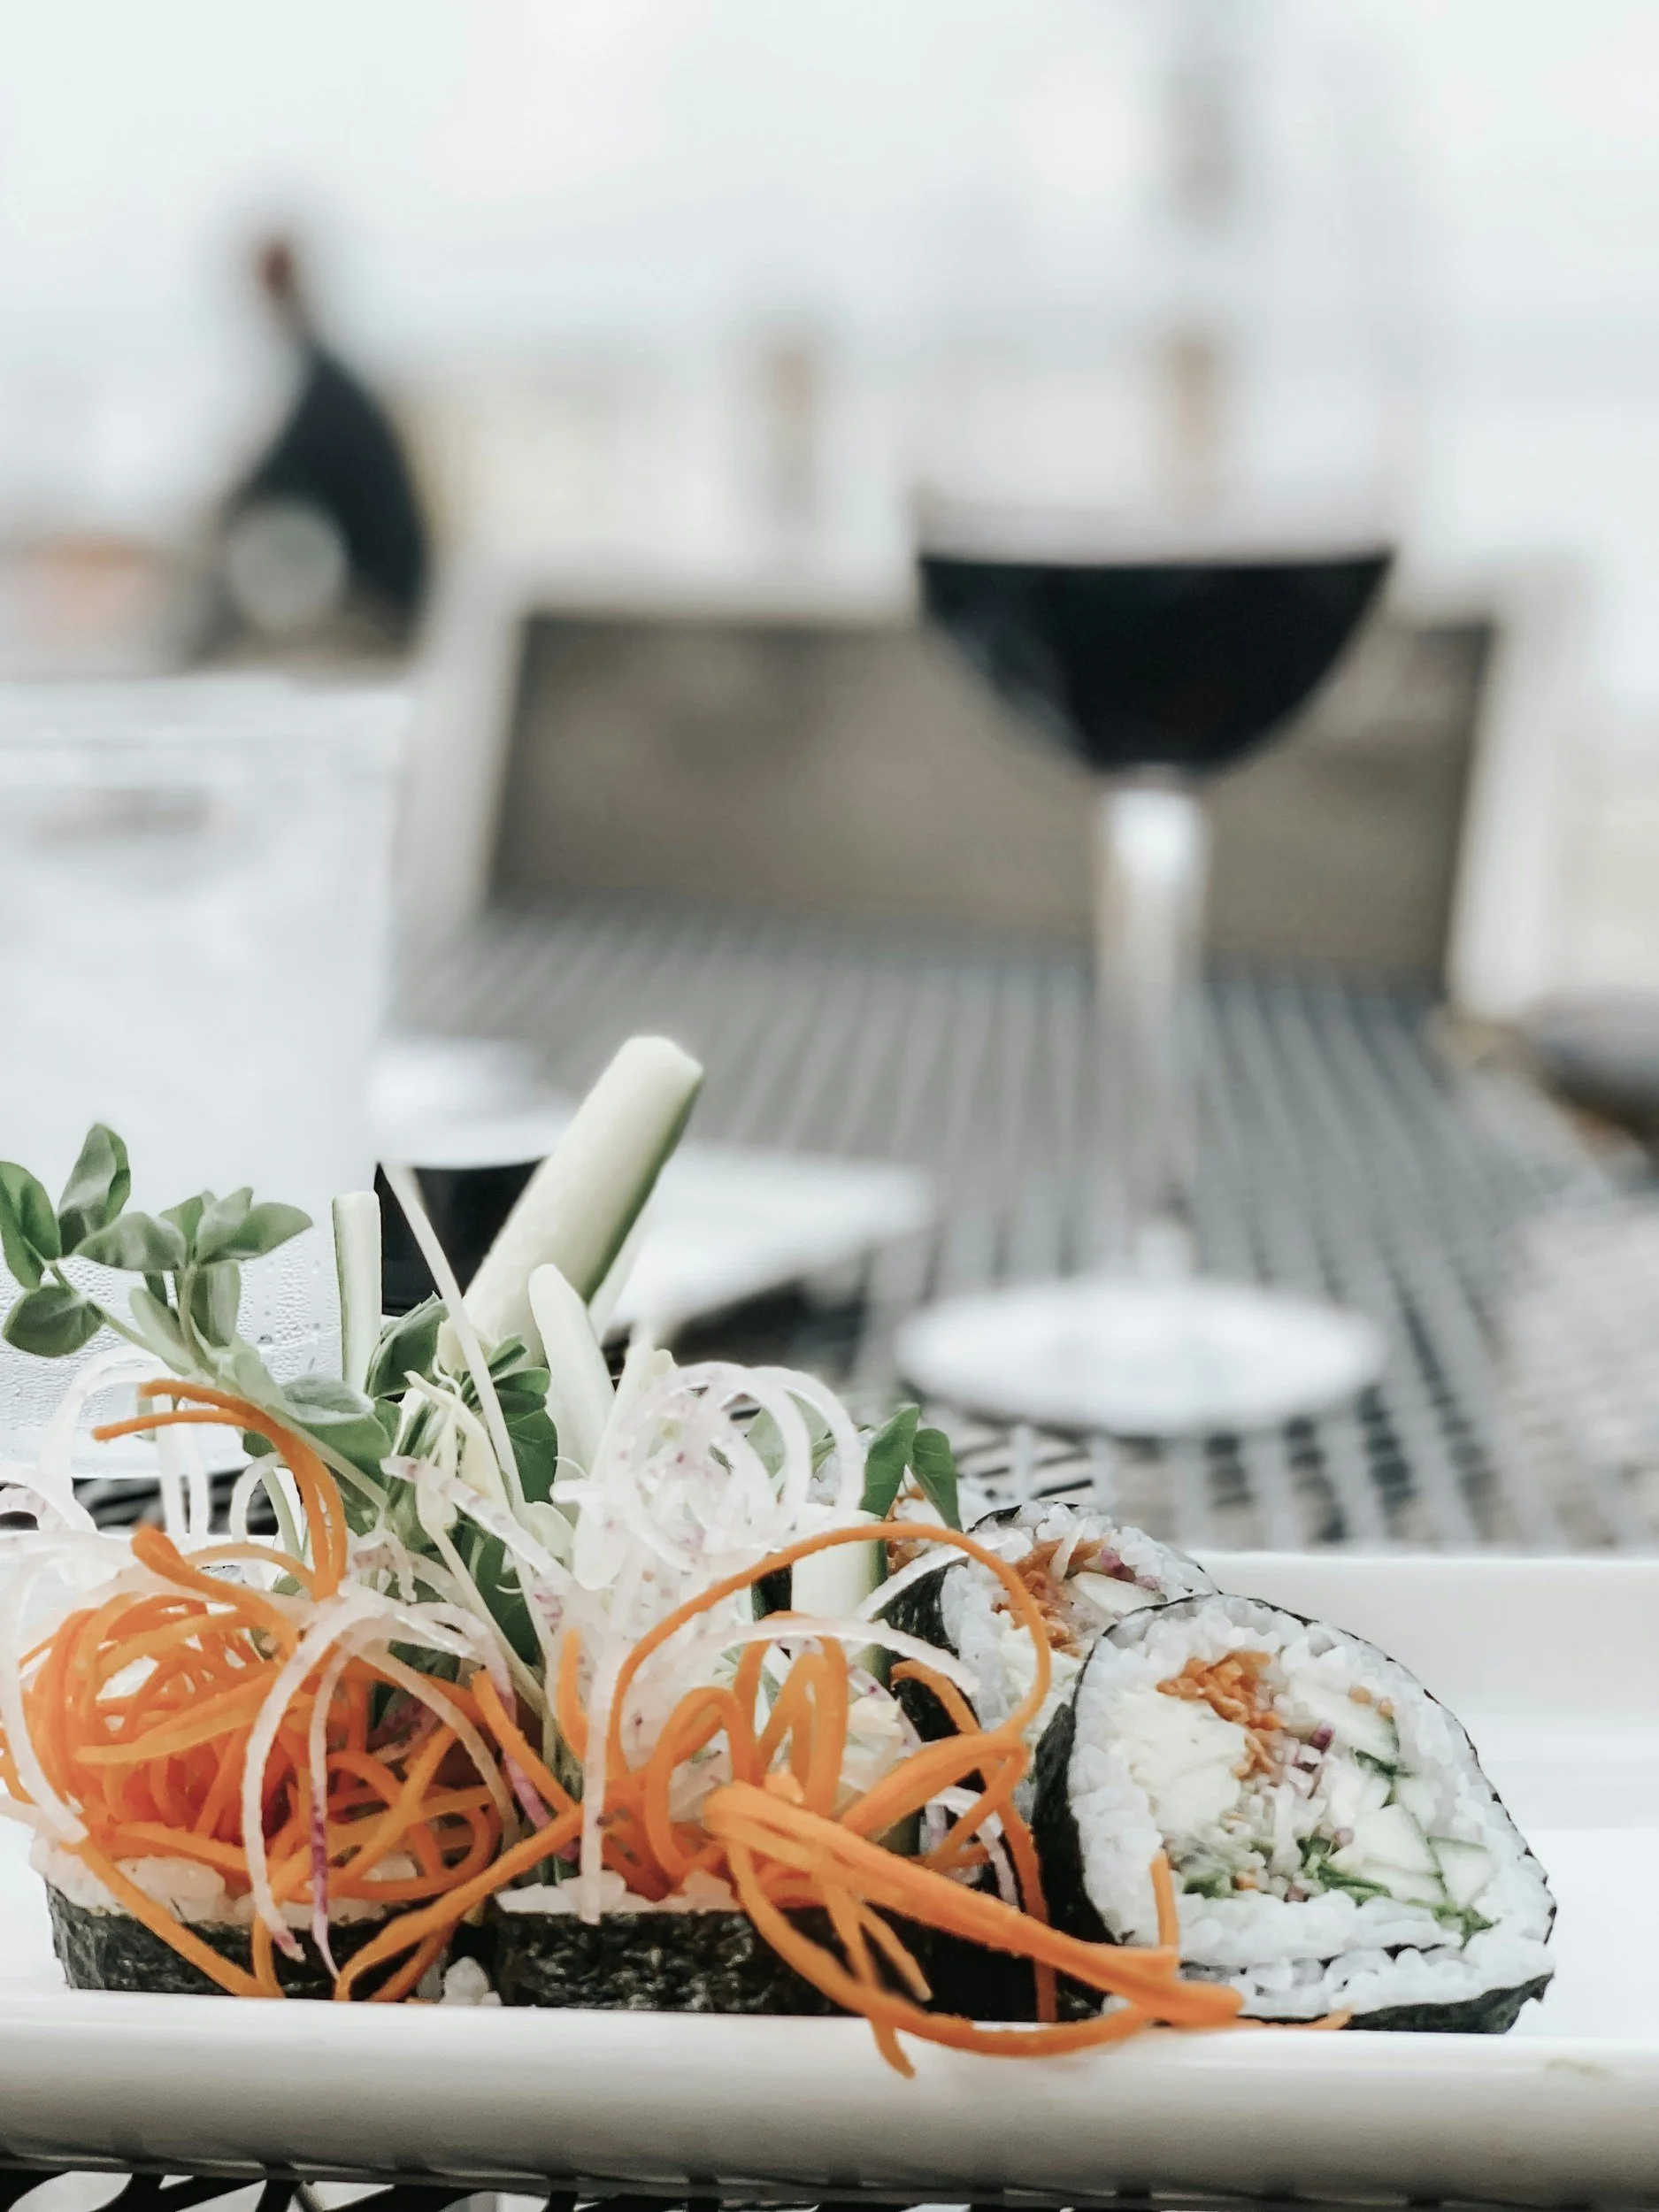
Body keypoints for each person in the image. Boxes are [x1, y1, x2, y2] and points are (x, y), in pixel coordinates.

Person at [227, 234, 429, 641]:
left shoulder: (326, 388)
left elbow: (272, 477)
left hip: (386, 607)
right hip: (387, 593)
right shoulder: (325, 377)